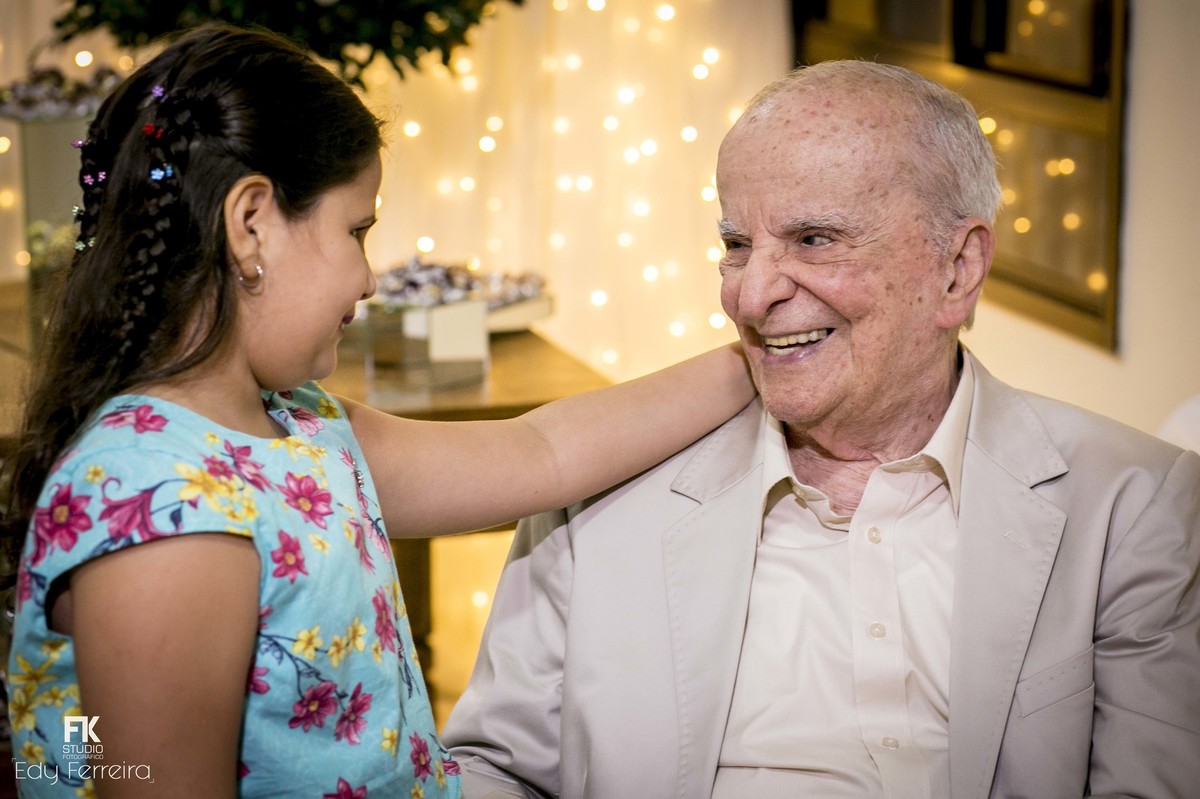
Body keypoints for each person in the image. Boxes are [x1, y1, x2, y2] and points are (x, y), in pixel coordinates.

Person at [0, 24, 757, 799]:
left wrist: (756, 359)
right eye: (356, 230)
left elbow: (542, 452)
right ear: (251, 222)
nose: (367, 279)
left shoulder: (297, 424)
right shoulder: (164, 512)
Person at [442, 60, 1200, 798]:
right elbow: (494, 765)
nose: (750, 293)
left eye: (814, 240)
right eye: (737, 245)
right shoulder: (605, 483)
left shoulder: (1135, 505)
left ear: (957, 269)